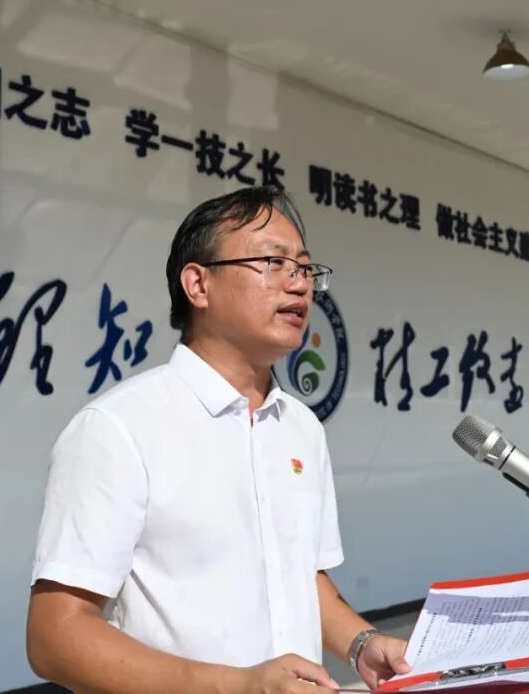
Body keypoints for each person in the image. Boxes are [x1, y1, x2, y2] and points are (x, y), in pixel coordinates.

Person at [26, 186, 410, 694]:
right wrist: (239, 686)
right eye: (273, 262)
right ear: (198, 284)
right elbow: (55, 636)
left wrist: (362, 644)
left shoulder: (301, 427)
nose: (299, 284)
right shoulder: (118, 428)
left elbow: (299, 576)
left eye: (305, 268)